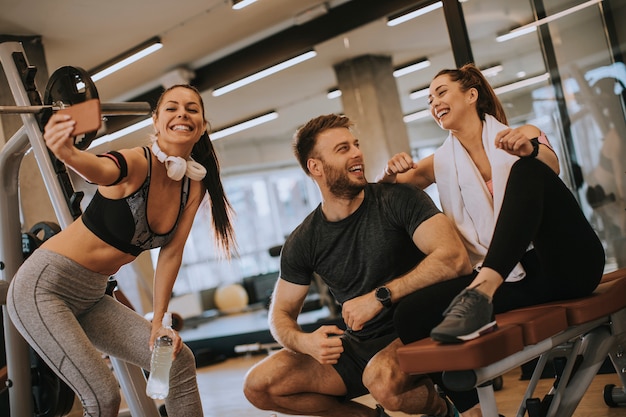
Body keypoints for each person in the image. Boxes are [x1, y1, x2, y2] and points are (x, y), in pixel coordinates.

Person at [7, 84, 236, 417]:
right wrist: (68, 153)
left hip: (92, 297)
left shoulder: (192, 185)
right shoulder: (136, 162)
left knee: (175, 361)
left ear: (201, 125)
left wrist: (160, 322)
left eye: (192, 109)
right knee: (103, 398)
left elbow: (171, 252)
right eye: (171, 108)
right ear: (156, 122)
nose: (182, 114)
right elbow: (99, 168)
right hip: (43, 288)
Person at [243, 113, 476, 417]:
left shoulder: (397, 199)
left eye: (355, 145)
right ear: (316, 167)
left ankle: (441, 411)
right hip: (359, 345)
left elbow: (454, 258)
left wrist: (380, 296)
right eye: (343, 149)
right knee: (259, 385)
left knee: (380, 380)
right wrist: (305, 342)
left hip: (417, 327)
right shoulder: (304, 240)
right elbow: (281, 314)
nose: (357, 153)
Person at [378, 63, 605, 344]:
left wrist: (528, 150)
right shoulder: (439, 164)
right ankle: (461, 385)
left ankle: (482, 291)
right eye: (430, 101)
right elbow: (385, 196)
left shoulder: (524, 133)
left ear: (471, 96)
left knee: (527, 169)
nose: (434, 103)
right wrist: (389, 172)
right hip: (515, 279)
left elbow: (552, 166)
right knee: (410, 314)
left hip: (566, 264)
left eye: (441, 93)